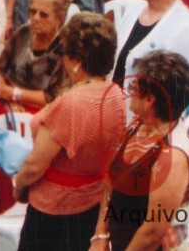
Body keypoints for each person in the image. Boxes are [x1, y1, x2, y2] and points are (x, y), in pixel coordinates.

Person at [13, 14, 126, 251]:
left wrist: (18, 184)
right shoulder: (115, 94)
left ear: (76, 60)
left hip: (53, 210)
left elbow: (34, 166)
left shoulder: (71, 105)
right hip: (90, 205)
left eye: (64, 53)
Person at [93, 50, 189, 251]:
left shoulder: (173, 156)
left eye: (134, 86)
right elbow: (110, 181)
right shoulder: (138, 124)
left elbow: (152, 233)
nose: (129, 90)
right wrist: (100, 235)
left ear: (149, 99)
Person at [0, 0, 71, 111]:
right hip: (6, 103)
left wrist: (13, 94)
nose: (36, 18)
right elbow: (0, 69)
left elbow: (55, 98)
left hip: (41, 112)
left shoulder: (65, 50)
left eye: (44, 15)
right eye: (33, 11)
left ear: (59, 20)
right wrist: (7, 97)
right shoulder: (22, 33)